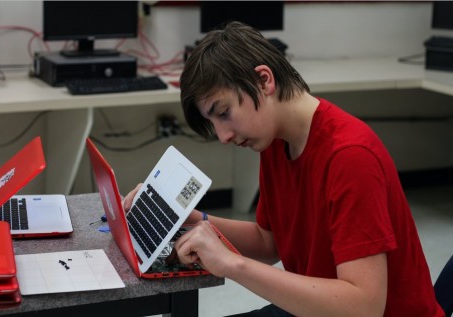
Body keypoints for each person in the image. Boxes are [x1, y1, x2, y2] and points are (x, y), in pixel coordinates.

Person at [123, 21, 444, 317]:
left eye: (223, 113)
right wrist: (189, 218)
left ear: (264, 80)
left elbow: (364, 306)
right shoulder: (277, 141)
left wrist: (233, 264)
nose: (223, 136)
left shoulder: (349, 157)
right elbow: (269, 241)